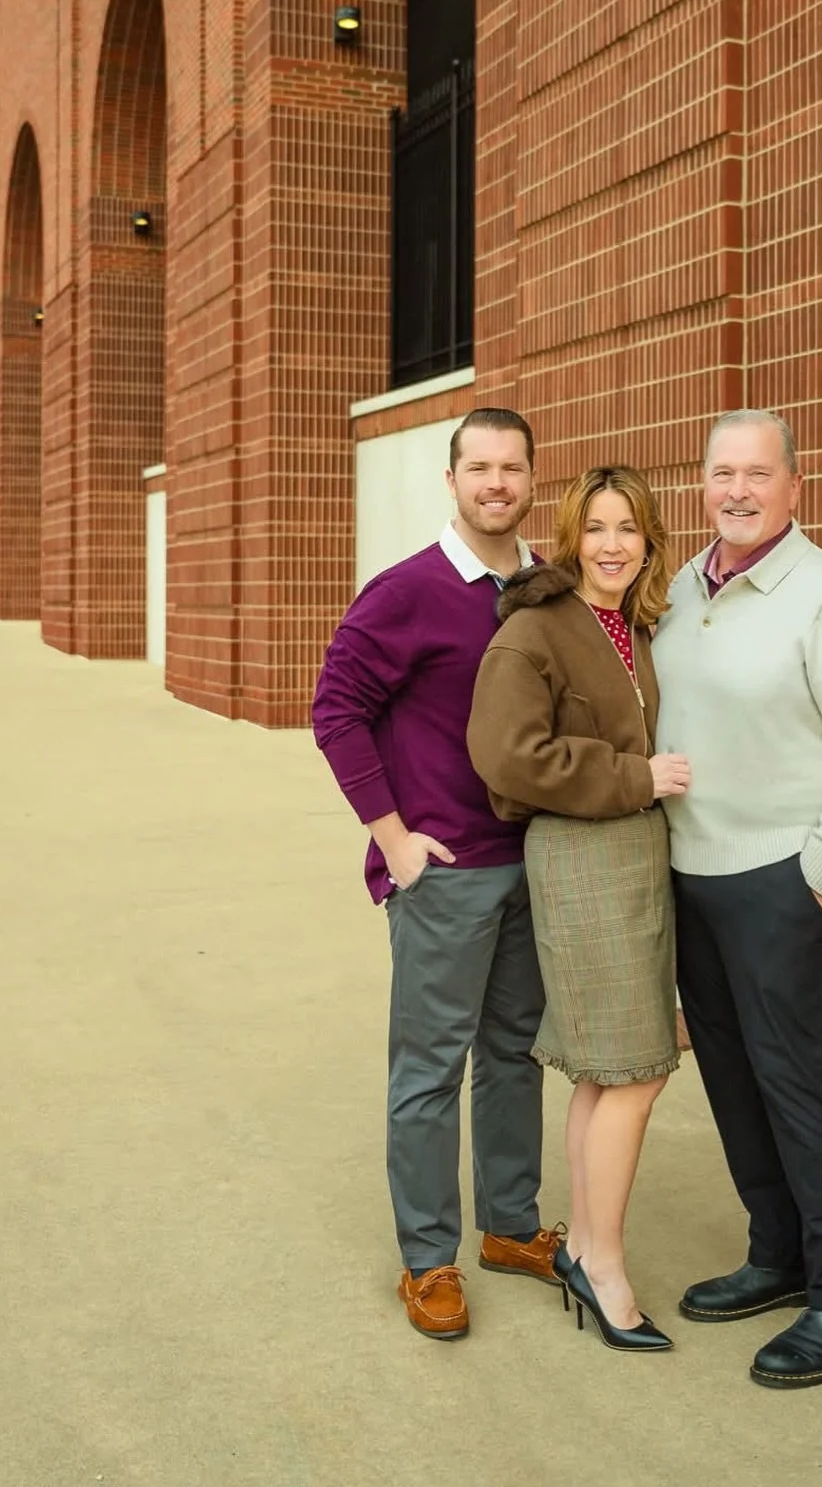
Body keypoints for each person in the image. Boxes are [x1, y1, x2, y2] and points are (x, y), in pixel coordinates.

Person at [652, 410, 822, 1390]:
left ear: (794, 487)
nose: (737, 490)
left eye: (757, 474)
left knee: (798, 1079)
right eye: (722, 472)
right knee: (729, 1072)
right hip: (692, 871)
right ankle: (780, 1252)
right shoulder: (684, 587)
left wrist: (820, 866)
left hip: (782, 877)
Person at [311, 408, 563, 1343]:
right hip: (445, 873)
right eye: (480, 468)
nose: (497, 483)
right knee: (429, 1069)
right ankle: (429, 1261)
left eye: (512, 468)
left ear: (533, 479)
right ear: (452, 481)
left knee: (513, 1055)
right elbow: (335, 711)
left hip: (530, 866)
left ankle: (509, 1225)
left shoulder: (543, 593)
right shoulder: (406, 592)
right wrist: (394, 836)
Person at [467, 467, 689, 1354]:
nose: (611, 545)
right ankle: (602, 1267)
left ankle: (588, 1250)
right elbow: (507, 757)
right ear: (570, 537)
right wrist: (635, 777)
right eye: (595, 528)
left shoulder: (634, 623)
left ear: (648, 539)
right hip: (584, 852)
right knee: (637, 1067)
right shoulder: (536, 629)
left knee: (607, 1069)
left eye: (628, 528)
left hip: (636, 853)